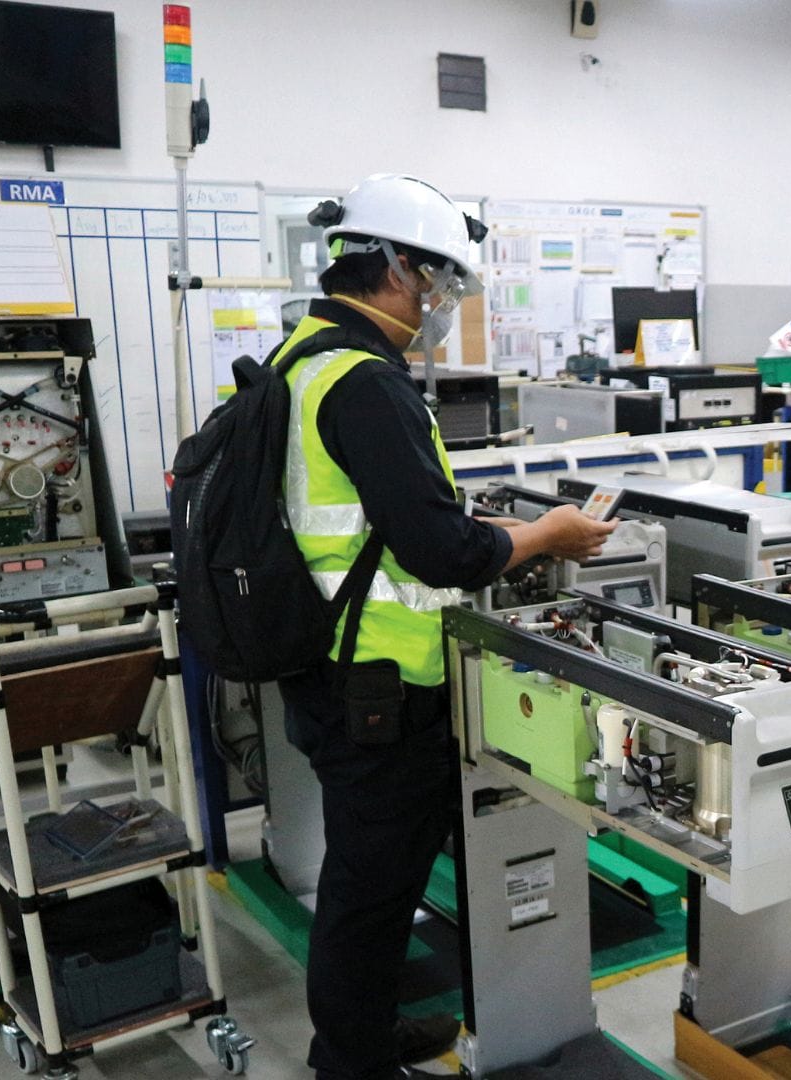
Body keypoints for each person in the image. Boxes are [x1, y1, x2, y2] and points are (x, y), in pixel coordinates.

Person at [275, 174, 616, 1080]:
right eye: (434, 285)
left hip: (329, 663)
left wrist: (497, 534)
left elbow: (383, 528)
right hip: (381, 684)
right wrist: (544, 535)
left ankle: (359, 1041)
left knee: (369, 885)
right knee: (371, 894)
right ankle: (350, 1065)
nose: (436, 306)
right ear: (391, 268)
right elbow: (436, 552)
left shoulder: (302, 356)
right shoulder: (367, 384)